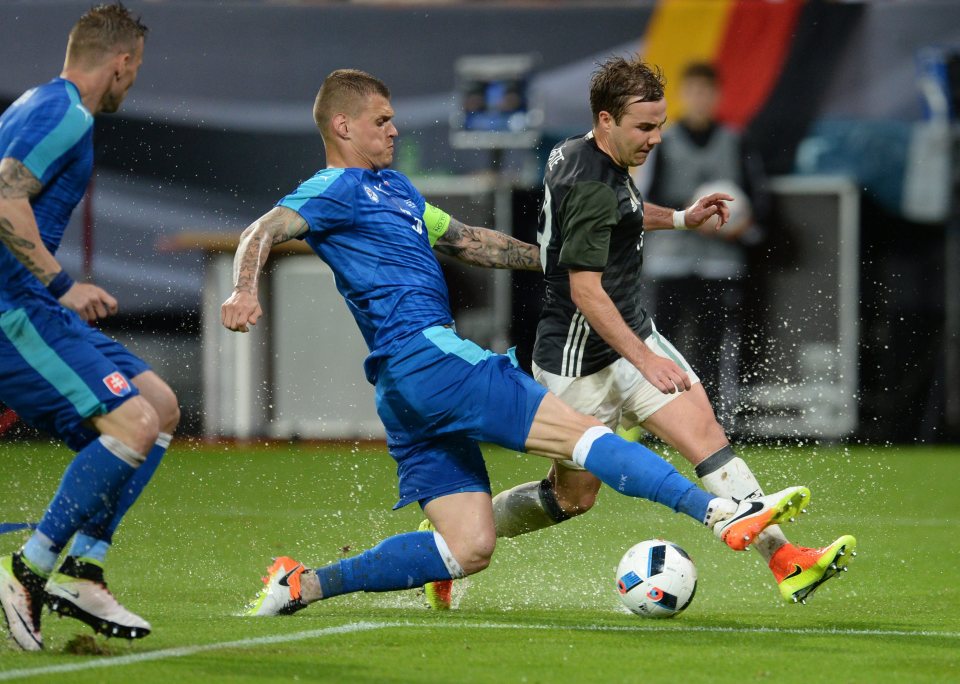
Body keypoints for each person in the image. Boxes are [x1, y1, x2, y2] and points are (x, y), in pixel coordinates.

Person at [220, 68, 811, 618]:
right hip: (434, 360)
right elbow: (262, 230)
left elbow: (469, 241)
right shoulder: (333, 188)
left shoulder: (394, 190)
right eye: (382, 120)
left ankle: (302, 583)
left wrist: (552, 263)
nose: (395, 129)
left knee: (469, 548)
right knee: (588, 439)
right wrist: (244, 290)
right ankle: (720, 514)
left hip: (405, 389)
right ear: (343, 126)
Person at [423, 56, 854, 611]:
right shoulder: (588, 184)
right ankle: (447, 549)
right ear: (606, 120)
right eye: (644, 127)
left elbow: (622, 211)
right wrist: (646, 362)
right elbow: (586, 292)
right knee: (573, 498)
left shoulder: (581, 152)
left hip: (629, 335)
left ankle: (786, 561)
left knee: (707, 438)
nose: (655, 138)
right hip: (578, 360)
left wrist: (680, 218)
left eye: (660, 125)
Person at [0, 4, 179, 651]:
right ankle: (30, 569)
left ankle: (84, 570)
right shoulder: (66, 112)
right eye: (136, 70)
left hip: (31, 306)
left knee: (159, 405)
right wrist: (61, 283)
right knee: (131, 425)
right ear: (122, 61)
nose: (133, 83)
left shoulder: (35, 103)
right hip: (16, 309)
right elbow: (5, 194)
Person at [641, 61, 770, 427]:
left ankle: (714, 422)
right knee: (663, 344)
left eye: (706, 91)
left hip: (721, 263)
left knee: (716, 346)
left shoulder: (736, 140)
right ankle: (663, 421)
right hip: (670, 261)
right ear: (683, 95)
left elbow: (759, 203)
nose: (700, 99)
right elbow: (644, 201)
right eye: (693, 91)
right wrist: (686, 217)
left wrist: (738, 228)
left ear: (717, 95)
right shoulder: (660, 141)